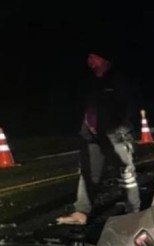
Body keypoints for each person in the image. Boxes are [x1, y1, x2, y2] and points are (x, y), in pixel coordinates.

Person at [56, 50, 140, 225]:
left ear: (105, 59)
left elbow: (127, 106)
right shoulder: (89, 82)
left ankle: (133, 212)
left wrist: (120, 127)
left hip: (115, 134)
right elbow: (83, 105)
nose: (90, 61)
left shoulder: (118, 80)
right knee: (88, 173)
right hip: (91, 135)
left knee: (125, 173)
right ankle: (81, 212)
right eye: (89, 57)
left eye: (94, 57)